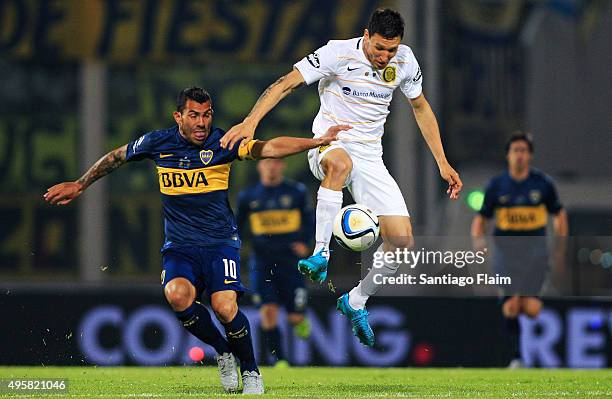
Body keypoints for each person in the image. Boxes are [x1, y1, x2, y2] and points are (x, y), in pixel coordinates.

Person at [44, 87, 347, 394]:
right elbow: (116, 156)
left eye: (207, 114)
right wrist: (80, 184)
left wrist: (318, 141)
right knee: (177, 296)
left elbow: (268, 148)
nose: (202, 122)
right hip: (180, 246)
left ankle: (252, 370)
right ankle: (223, 351)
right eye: (194, 115)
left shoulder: (223, 142)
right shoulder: (158, 142)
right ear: (179, 116)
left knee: (225, 307)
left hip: (220, 243)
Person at [219, 8, 462, 347]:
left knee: (402, 241)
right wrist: (250, 123)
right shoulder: (336, 52)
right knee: (340, 165)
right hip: (329, 143)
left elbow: (420, 108)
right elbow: (284, 84)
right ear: (366, 36)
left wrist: (442, 161)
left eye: (391, 50)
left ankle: (356, 300)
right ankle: (321, 254)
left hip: (371, 158)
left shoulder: (405, 62)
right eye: (379, 48)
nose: (385, 56)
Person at [471, 132, 568, 368]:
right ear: (508, 155)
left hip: (535, 254)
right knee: (511, 306)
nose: (519, 155)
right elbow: (481, 219)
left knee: (531, 309)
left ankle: (526, 351)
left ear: (530, 155)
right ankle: (516, 357)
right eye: (515, 150)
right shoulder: (496, 186)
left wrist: (560, 244)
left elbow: (559, 214)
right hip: (506, 254)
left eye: (524, 151)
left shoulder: (542, 184)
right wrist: (478, 242)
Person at [236, 158, 314, 366]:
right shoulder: (248, 196)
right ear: (260, 166)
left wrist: (306, 243)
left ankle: (300, 319)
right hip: (262, 261)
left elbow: (310, 220)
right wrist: (235, 248)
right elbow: (237, 226)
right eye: (267, 163)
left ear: (283, 166)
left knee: (295, 317)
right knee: (268, 311)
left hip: (290, 261)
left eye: (276, 162)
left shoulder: (296, 192)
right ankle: (280, 359)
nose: (272, 166)